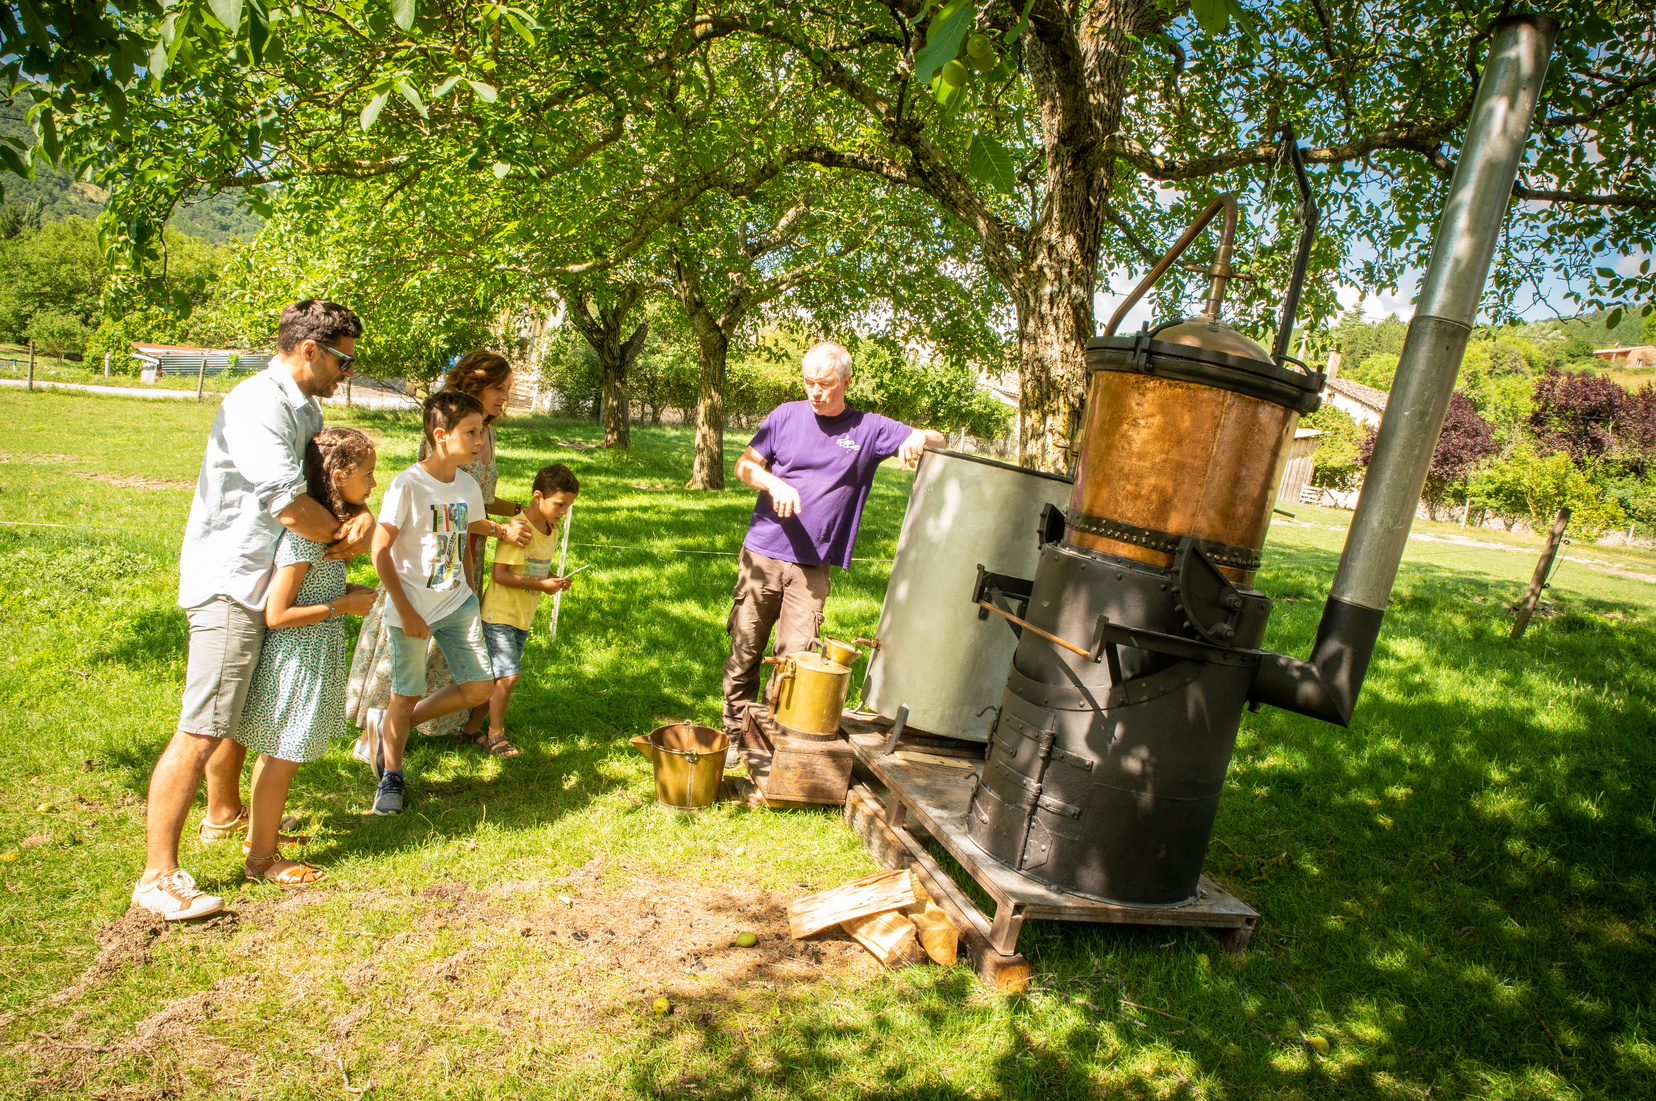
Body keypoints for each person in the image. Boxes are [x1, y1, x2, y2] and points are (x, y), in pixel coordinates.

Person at [131, 299, 373, 920]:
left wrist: (362, 514)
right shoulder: (258, 405)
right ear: (309, 349)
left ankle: (227, 819)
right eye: (343, 359)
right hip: (232, 585)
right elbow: (288, 505)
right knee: (204, 726)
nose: (348, 371)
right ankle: (157, 877)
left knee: (238, 715)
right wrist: (344, 540)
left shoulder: (306, 408)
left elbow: (324, 484)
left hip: (267, 579)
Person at [720, 341, 943, 755]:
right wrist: (773, 483)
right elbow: (744, 466)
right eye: (809, 382)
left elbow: (938, 439)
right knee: (746, 647)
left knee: (796, 659)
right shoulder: (785, 416)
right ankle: (734, 733)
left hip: (813, 566)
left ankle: (770, 739)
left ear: (846, 382)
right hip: (763, 553)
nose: (815, 392)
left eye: (824, 384)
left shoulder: (868, 429)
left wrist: (918, 437)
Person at [347, 351, 526, 747]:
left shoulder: (485, 436)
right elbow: (430, 501)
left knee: (453, 652)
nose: (505, 397)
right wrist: (499, 530)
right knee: (411, 644)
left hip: (462, 555)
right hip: (426, 559)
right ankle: (380, 729)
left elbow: (478, 499)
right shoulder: (444, 436)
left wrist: (517, 512)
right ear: (476, 384)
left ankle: (404, 726)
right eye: (499, 388)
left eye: (508, 389)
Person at [366, 389, 531, 815]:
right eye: (471, 432)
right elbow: (379, 550)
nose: (480, 441)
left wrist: (474, 580)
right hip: (412, 608)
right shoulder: (407, 484)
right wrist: (405, 610)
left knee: (478, 688)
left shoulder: (467, 484)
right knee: (405, 694)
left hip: (458, 602)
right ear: (441, 435)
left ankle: (394, 725)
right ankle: (391, 776)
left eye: (481, 432)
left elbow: (468, 530)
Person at [234, 428, 380, 884]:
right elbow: (277, 614)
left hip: (314, 652)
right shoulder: (304, 540)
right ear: (338, 476)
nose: (374, 483)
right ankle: (262, 861)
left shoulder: (329, 532)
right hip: (297, 659)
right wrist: (344, 604)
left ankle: (259, 836)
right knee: (283, 755)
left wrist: (346, 590)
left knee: (278, 753)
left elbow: (310, 591)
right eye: (367, 474)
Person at [470, 463, 581, 755]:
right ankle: (496, 735)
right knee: (508, 676)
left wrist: (553, 580)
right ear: (537, 496)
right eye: (559, 504)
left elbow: (537, 569)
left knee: (498, 679)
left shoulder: (551, 530)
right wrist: (541, 584)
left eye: (568, 506)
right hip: (498, 613)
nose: (563, 512)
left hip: (522, 615)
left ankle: (469, 729)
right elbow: (500, 575)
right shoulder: (519, 529)